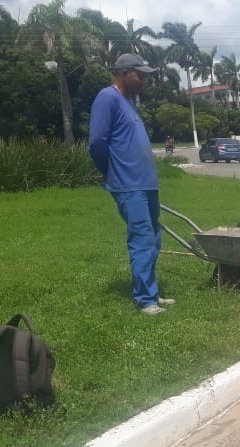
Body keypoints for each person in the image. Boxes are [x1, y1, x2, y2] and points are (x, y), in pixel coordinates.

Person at [88, 53, 174, 316]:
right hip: (128, 184)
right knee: (142, 239)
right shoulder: (107, 97)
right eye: (140, 74)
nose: (145, 79)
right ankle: (146, 300)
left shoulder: (128, 102)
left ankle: (151, 292)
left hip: (146, 183)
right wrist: (112, 172)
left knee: (154, 239)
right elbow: (96, 143)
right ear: (124, 73)